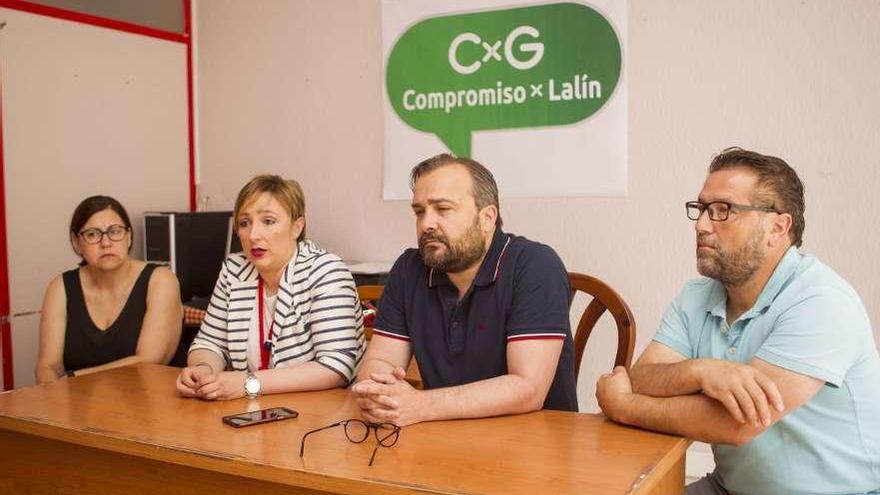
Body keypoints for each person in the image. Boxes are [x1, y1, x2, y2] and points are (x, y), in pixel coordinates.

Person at [596, 148, 880, 495]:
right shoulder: (696, 295)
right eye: (701, 209)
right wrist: (702, 371)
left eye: (722, 211)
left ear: (777, 227)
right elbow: (642, 377)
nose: (701, 225)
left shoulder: (821, 301)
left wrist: (624, 405)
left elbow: (737, 423)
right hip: (729, 487)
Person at [352, 154, 577, 426]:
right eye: (419, 211)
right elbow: (379, 361)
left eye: (443, 209)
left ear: (487, 218)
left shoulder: (535, 265)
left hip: (533, 446)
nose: (426, 224)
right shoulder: (409, 268)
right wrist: (381, 394)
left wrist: (420, 404)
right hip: (441, 437)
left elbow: (527, 390)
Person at [176, 175, 365, 400]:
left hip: (324, 413)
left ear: (297, 227)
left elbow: (336, 367)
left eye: (268, 221)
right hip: (253, 410)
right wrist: (204, 370)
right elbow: (209, 342)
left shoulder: (325, 270)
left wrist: (250, 383)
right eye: (245, 223)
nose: (253, 235)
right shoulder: (234, 270)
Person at [35, 196, 183, 383]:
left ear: (129, 237)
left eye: (115, 231)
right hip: (79, 405)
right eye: (92, 234)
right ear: (76, 242)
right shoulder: (60, 287)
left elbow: (150, 360)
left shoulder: (160, 280)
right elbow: (47, 366)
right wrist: (53, 394)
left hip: (150, 402)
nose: (106, 243)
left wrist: (73, 378)